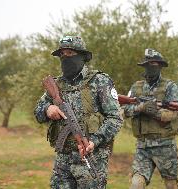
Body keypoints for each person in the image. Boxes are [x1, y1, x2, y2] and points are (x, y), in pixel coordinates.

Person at [34, 35, 123, 189]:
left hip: (92, 158)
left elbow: (115, 118)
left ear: (82, 56)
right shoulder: (56, 85)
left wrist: (95, 140)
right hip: (63, 160)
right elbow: (38, 112)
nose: (65, 57)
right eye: (61, 54)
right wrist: (48, 109)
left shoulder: (99, 81)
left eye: (69, 54)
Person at [124, 48, 178, 189]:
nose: (152, 67)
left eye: (155, 64)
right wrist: (140, 108)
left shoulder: (170, 87)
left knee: (171, 185)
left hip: (165, 145)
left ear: (161, 66)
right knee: (136, 184)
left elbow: (175, 112)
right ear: (144, 65)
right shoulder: (136, 87)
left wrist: (156, 113)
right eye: (149, 64)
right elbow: (123, 110)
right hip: (143, 147)